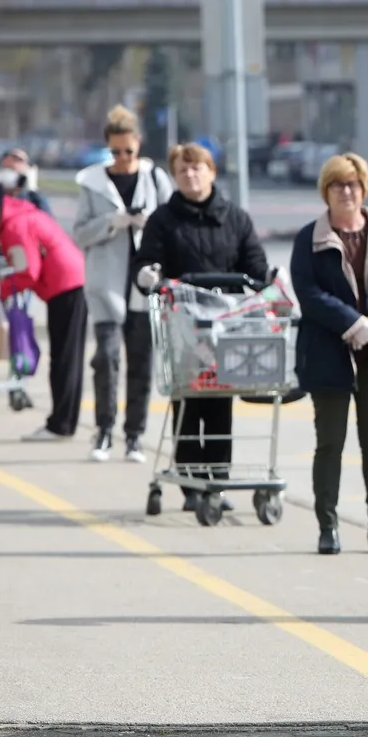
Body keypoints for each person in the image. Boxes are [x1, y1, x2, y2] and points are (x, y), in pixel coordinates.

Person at [290, 153, 368, 555]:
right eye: (337, 185)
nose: (346, 192)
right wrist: (351, 322)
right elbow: (308, 293)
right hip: (328, 354)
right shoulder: (309, 237)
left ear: (364, 189)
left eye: (353, 185)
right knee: (329, 442)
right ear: (325, 191)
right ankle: (328, 526)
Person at [133, 142, 268, 515]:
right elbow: (147, 262)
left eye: (197, 168)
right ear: (175, 177)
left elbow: (255, 264)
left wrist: (266, 279)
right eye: (182, 170)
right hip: (183, 325)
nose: (190, 175)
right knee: (188, 400)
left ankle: (217, 478)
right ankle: (192, 479)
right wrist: (147, 275)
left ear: (211, 172)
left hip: (226, 325)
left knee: (222, 400)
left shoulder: (235, 219)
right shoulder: (164, 219)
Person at [73, 105, 174, 463]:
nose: (122, 158)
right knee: (106, 358)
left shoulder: (155, 178)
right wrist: (112, 222)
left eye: (128, 151)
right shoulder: (92, 182)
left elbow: (171, 225)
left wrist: (148, 224)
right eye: (114, 152)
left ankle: (134, 435)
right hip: (105, 284)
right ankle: (103, 431)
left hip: (144, 283)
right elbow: (79, 233)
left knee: (141, 361)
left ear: (138, 145)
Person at [0, 195, 87, 442]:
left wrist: (1, 289)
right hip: (72, 282)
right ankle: (64, 421)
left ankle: (60, 424)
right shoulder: (24, 216)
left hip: (64, 287)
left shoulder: (14, 226)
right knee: (69, 357)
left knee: (63, 358)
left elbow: (28, 272)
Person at [0, 148, 52, 216]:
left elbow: (47, 222)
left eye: (18, 161)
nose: (12, 162)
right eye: (7, 168)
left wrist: (32, 187)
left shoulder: (33, 197)